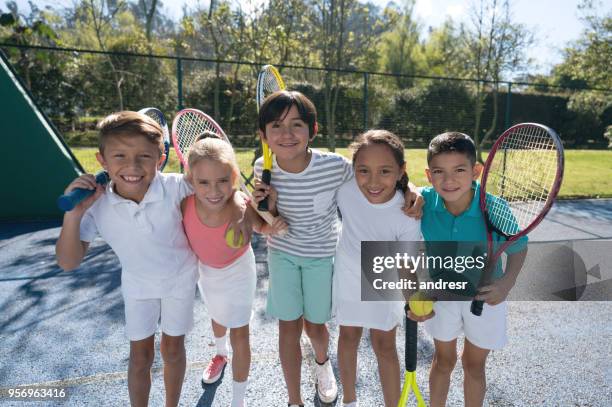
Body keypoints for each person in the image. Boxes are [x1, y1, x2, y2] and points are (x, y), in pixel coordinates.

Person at [55, 111, 250, 407]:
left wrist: (238, 200)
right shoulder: (96, 205)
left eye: (144, 156)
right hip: (137, 287)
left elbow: (218, 187)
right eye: (119, 155)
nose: (132, 166)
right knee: (140, 357)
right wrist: (74, 214)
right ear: (102, 160)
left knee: (172, 350)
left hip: (180, 282)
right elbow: (68, 262)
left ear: (160, 158)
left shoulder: (176, 187)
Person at [252, 91, 422, 406]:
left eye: (296, 125)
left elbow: (376, 171)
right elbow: (256, 215)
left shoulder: (336, 168)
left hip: (322, 258)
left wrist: (409, 187)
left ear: (313, 131)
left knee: (316, 327)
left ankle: (321, 362)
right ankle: (294, 400)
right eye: (276, 126)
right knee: (288, 327)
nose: (286, 134)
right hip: (282, 255)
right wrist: (266, 219)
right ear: (263, 135)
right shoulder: (263, 166)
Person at [413, 132, 528, 407]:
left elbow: (518, 248)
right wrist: (411, 193)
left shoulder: (495, 208)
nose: (448, 180)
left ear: (476, 171)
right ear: (429, 175)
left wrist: (506, 284)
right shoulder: (424, 202)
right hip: (441, 296)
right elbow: (404, 191)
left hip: (486, 297)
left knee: (474, 366)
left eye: (459, 170)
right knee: (444, 361)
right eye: (439, 172)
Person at [181, 135, 287, 407]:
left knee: (240, 332)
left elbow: (263, 228)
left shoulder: (241, 205)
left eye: (222, 181)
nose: (214, 190)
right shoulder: (184, 204)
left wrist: (273, 225)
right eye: (203, 182)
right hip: (206, 271)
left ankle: (238, 401)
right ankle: (220, 354)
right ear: (191, 180)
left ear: (234, 178)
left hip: (239, 271)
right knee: (217, 316)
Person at [334, 130, 422, 407]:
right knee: (348, 337)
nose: (373, 181)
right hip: (347, 272)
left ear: (400, 171)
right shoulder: (344, 188)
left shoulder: (407, 213)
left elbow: (406, 264)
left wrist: (414, 299)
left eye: (385, 171)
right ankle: (349, 401)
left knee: (384, 345)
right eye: (363, 170)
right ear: (353, 170)